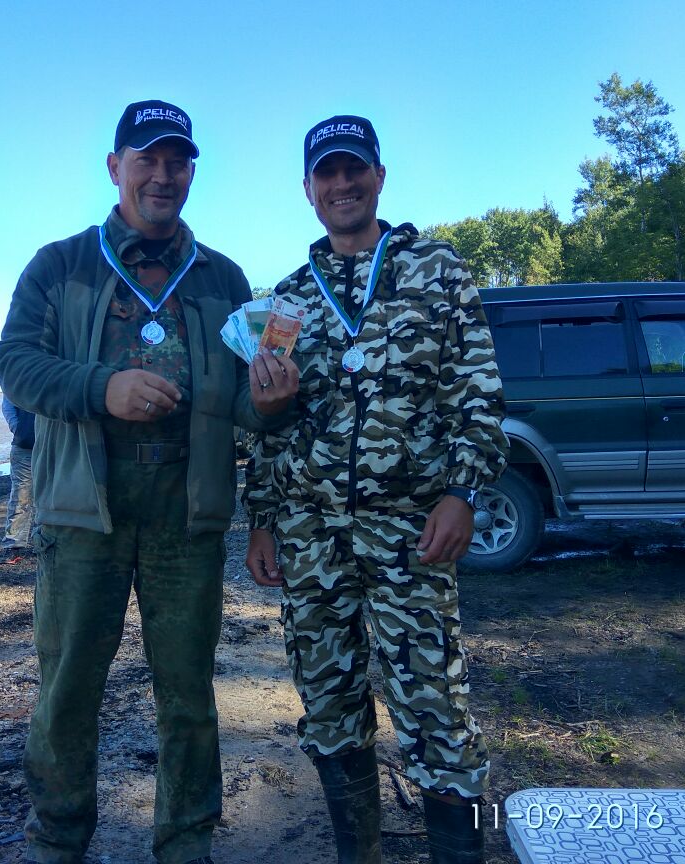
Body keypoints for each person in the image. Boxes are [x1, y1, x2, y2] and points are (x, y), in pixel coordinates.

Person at [0, 99, 298, 864]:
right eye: (147, 159)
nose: (163, 175)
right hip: (82, 514)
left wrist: (272, 401)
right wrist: (104, 388)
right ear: (115, 168)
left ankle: (187, 843)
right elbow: (15, 364)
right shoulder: (61, 265)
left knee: (188, 696)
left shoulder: (224, 278)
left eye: (177, 162)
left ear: (191, 173)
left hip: (186, 516)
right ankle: (56, 842)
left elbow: (250, 409)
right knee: (67, 691)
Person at [243, 116, 509, 864]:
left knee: (437, 714)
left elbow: (479, 395)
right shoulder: (287, 302)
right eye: (326, 173)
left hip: (410, 533)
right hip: (312, 537)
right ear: (308, 190)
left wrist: (462, 493)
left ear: (379, 178)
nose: (342, 184)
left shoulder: (437, 271)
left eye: (354, 168)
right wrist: (261, 518)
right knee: (328, 710)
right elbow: (269, 425)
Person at [0, 396, 36, 565]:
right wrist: (19, 429)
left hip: (55, 448)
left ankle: (45, 543)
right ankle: (13, 547)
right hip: (24, 446)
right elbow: (8, 404)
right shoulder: (22, 381)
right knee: (20, 497)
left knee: (50, 497)